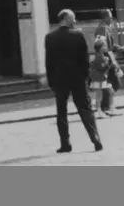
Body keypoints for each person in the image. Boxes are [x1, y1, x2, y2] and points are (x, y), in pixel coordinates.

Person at [44, 10, 103, 154]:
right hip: (77, 78)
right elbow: (84, 60)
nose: (75, 21)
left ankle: (65, 143)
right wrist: (86, 77)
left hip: (60, 79)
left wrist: (51, 81)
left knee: (61, 112)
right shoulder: (78, 35)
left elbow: (49, 62)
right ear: (66, 18)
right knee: (85, 109)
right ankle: (95, 138)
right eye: (73, 18)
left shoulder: (50, 37)